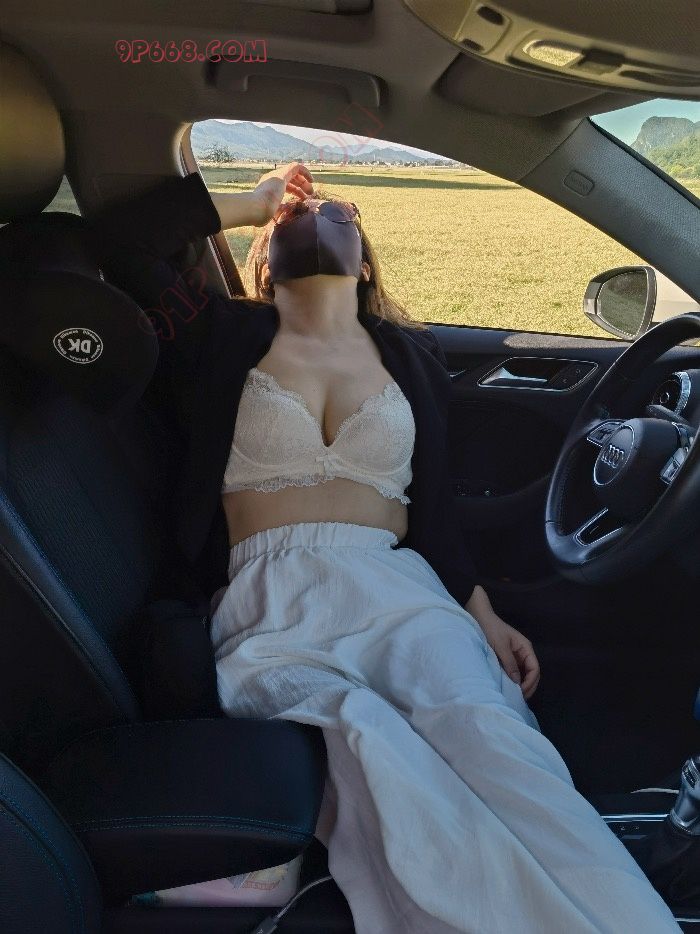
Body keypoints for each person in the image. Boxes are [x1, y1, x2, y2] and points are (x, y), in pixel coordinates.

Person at [90, 163, 680, 932]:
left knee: (493, 742)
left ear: (363, 263)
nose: (318, 209)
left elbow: (433, 512)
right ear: (266, 263)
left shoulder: (409, 354)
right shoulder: (217, 336)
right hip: (274, 600)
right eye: (297, 216)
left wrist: (482, 611)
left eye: (341, 211)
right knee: (373, 753)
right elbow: (121, 241)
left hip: (400, 590)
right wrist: (255, 203)